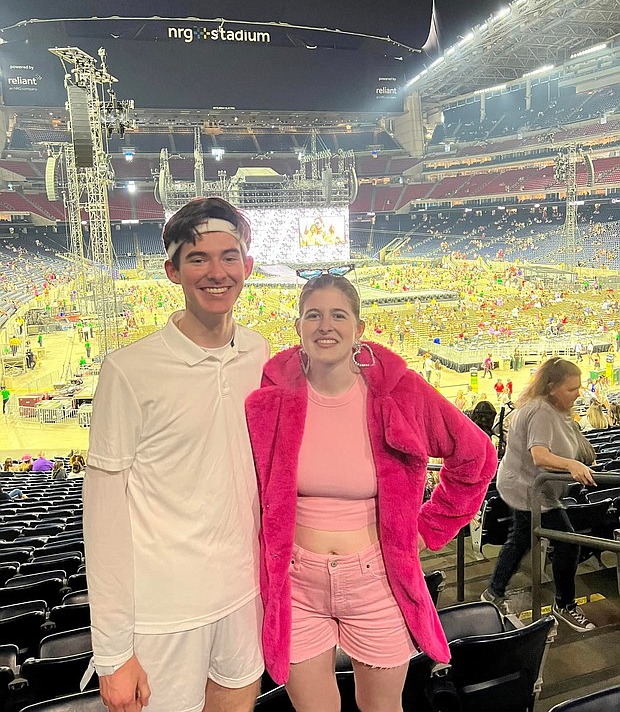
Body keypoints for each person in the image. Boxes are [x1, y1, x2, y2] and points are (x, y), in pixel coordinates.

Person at [245, 273, 497, 709]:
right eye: (314, 316)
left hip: (376, 579)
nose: (326, 326)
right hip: (296, 583)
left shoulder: (400, 394)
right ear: (299, 327)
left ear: (359, 329)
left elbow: (476, 457)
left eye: (338, 315)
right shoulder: (270, 400)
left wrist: (425, 529)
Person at [84, 197, 269, 712]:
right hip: (163, 617)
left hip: (242, 597)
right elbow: (102, 518)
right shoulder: (127, 371)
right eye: (197, 258)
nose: (216, 272)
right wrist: (114, 653)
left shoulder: (259, 354)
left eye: (229, 257)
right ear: (172, 270)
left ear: (248, 267)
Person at [482, 357, 597, 632]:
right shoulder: (541, 412)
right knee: (567, 542)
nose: (577, 394)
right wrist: (571, 464)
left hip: (534, 490)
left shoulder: (553, 408)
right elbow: (540, 455)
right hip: (527, 490)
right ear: (552, 387)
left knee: (520, 539)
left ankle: (493, 593)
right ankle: (564, 605)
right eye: (572, 389)